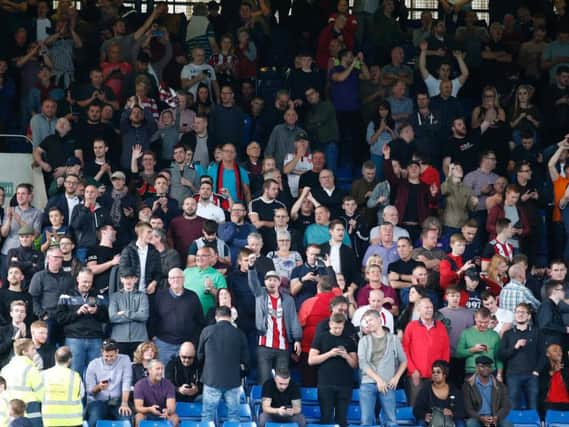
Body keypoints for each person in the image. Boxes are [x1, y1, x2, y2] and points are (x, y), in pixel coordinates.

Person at [248, 263, 302, 385]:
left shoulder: (288, 299)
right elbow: (253, 283)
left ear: (279, 283)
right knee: (264, 380)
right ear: (265, 283)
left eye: (274, 280)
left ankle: (280, 403)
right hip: (264, 345)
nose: (271, 282)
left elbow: (294, 320)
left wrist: (297, 339)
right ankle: (264, 404)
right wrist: (251, 268)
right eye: (268, 280)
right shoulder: (260, 294)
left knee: (282, 380)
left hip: (283, 346)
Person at [198, 305, 249, 422]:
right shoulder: (239, 333)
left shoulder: (207, 331)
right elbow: (246, 360)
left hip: (211, 379)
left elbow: (200, 356)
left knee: (207, 415)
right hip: (233, 380)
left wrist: (205, 371)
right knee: (234, 415)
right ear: (231, 317)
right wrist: (241, 374)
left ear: (216, 317)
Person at [358, 309, 407, 427]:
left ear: (379, 320)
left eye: (370, 320)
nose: (368, 323)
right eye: (366, 321)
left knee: (391, 420)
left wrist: (396, 378)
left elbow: (404, 361)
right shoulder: (363, 340)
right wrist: (379, 380)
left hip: (388, 383)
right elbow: (363, 364)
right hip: (368, 383)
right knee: (366, 421)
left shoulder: (393, 339)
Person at [55, 268, 108, 377]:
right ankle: (76, 394)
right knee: (74, 373)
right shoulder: (66, 295)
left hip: (95, 339)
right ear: (78, 279)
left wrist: (96, 311)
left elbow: (106, 318)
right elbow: (60, 318)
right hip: (74, 339)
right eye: (84, 281)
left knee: (96, 374)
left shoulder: (98, 295)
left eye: (89, 282)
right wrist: (77, 312)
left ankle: (91, 394)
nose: (87, 285)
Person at [308, 313, 357, 427]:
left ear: (344, 326)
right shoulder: (321, 337)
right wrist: (330, 354)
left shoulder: (349, 340)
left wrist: (345, 355)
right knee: (326, 417)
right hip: (326, 384)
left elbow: (354, 364)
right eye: (335, 327)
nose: (337, 330)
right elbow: (311, 360)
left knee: (342, 420)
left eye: (340, 328)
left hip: (345, 385)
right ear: (330, 324)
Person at [150, 268, 205, 364]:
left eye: (179, 277)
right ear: (169, 280)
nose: (176, 280)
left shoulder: (192, 296)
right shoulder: (159, 296)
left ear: (184, 279)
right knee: (163, 375)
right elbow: (152, 317)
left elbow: (199, 321)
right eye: (173, 278)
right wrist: (153, 335)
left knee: (184, 376)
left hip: (186, 345)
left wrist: (193, 341)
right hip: (163, 344)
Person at [402, 297, 450, 406]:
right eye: (426, 307)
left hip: (436, 375)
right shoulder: (411, 326)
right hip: (416, 374)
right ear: (419, 309)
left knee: (435, 406)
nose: (429, 310)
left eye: (431, 307)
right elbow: (404, 350)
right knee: (415, 405)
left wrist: (442, 371)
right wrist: (412, 370)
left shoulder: (441, 326)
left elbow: (445, 350)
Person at [498, 302, 543, 410]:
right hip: (513, 375)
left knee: (533, 406)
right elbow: (501, 355)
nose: (520, 314)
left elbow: (543, 354)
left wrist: (537, 371)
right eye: (517, 312)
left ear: (529, 315)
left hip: (532, 375)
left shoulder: (537, 332)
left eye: (523, 312)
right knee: (513, 407)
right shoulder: (508, 334)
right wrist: (515, 347)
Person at [85, 339, 132, 427]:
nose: (109, 358)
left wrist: (124, 403)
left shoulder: (125, 359)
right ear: (102, 352)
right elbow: (89, 391)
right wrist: (98, 387)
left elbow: (127, 382)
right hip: (98, 401)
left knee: (126, 419)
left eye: (112, 356)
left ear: (117, 351)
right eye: (106, 356)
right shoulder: (93, 364)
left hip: (118, 401)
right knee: (94, 419)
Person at [0, 339, 43, 427]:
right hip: (29, 412)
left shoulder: (5, 369)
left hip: (9, 414)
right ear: (24, 352)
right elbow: (42, 394)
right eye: (32, 349)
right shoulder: (31, 369)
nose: (35, 352)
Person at [108, 269, 150, 357]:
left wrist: (125, 312)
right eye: (125, 278)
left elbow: (144, 316)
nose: (128, 280)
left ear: (136, 280)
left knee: (138, 367)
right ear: (121, 279)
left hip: (139, 338)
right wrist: (136, 315)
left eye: (131, 278)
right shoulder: (115, 296)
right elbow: (112, 317)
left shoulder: (142, 296)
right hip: (119, 339)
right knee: (120, 368)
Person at [463, 356, 512, 427]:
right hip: (477, 417)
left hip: (495, 416)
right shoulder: (468, 385)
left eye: (488, 366)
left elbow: (505, 406)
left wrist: (496, 417)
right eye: (482, 366)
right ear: (477, 367)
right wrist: (481, 418)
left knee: (507, 424)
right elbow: (468, 408)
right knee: (471, 423)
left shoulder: (500, 385)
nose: (486, 369)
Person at [413, 360, 466, 427]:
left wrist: (452, 413)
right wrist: (425, 415)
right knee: (421, 423)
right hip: (432, 421)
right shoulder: (426, 389)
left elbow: (462, 411)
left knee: (460, 423)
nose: (435, 374)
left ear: (445, 374)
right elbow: (416, 409)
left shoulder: (454, 390)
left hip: (450, 421)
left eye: (438, 372)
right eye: (433, 372)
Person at [41, 346, 84, 427]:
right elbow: (81, 394)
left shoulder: (44, 375)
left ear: (55, 358)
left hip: (50, 421)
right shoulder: (75, 376)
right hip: (73, 421)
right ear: (70, 359)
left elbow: (39, 395)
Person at [456, 308, 503, 381]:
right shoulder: (466, 333)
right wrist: (473, 349)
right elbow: (458, 354)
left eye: (486, 322)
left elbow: (498, 358)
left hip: (490, 372)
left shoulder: (495, 335)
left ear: (490, 319)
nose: (483, 325)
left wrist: (499, 374)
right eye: (480, 322)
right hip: (472, 372)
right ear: (475, 319)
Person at [119, 222, 162, 295]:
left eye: (151, 232)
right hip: (130, 293)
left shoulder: (154, 252)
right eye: (149, 232)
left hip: (148, 294)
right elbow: (123, 271)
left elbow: (158, 272)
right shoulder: (128, 250)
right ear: (140, 233)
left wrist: (154, 283)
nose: (151, 235)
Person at [133, 359, 179, 427]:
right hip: (147, 414)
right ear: (149, 370)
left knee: (175, 418)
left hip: (163, 414)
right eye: (157, 369)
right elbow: (138, 407)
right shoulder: (139, 385)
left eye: (162, 369)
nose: (160, 371)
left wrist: (168, 411)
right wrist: (150, 409)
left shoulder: (168, 384)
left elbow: (171, 406)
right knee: (138, 417)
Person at [537, 281, 569, 349]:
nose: (564, 292)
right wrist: (565, 329)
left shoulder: (553, 306)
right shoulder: (546, 305)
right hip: (550, 346)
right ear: (554, 291)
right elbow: (545, 325)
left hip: (555, 344)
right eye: (562, 289)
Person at [539, 343, 569, 415]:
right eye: (555, 351)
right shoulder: (543, 370)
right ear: (547, 354)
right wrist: (553, 371)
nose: (559, 353)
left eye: (560, 351)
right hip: (550, 404)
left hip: (567, 403)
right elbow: (542, 387)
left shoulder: (566, 369)